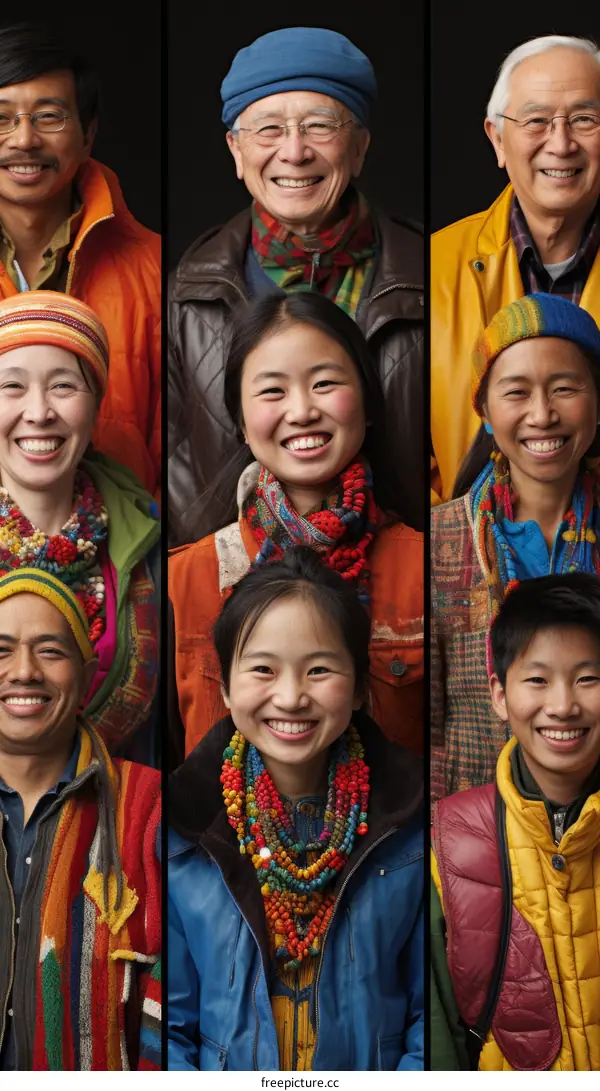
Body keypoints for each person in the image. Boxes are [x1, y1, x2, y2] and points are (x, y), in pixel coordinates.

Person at [168, 548, 423, 1072]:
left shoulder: (411, 829)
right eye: (263, 668)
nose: (290, 696)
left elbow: (428, 1013)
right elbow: (171, 1026)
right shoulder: (182, 831)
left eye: (319, 669)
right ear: (225, 683)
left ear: (356, 687)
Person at [168, 25, 424, 544]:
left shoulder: (429, 275)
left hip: (397, 578)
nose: (294, 152)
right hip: (231, 585)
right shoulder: (187, 293)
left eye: (319, 126)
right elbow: (172, 460)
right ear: (236, 152)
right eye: (267, 130)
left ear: (359, 148)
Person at [169, 292, 423, 764]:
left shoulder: (425, 568)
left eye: (325, 383)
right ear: (241, 422)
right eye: (272, 390)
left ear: (367, 403)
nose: (302, 410)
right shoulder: (185, 580)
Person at [431, 293, 600, 800]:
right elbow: (429, 725)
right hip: (477, 841)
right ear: (483, 411)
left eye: (565, 388)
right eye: (516, 393)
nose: (542, 414)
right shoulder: (438, 541)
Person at [431, 573, 600, 1071]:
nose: (564, 706)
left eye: (588, 679)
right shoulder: (450, 843)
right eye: (537, 680)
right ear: (500, 695)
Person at [0, 569, 161, 1071]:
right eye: (1, 649)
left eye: (50, 651)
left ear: (88, 674)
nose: (24, 671)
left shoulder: (152, 808)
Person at [431, 34, 600, 506]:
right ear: (497, 138)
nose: (561, 143)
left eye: (584, 119)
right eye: (536, 121)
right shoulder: (431, 267)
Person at [0, 23, 161, 495]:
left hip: (126, 551)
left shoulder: (154, 268)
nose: (24, 140)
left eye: (49, 117)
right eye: (2, 118)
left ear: (88, 135)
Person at [0, 291, 160, 763]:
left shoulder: (146, 541)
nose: (39, 412)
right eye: (12, 387)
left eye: (63, 386)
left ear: (95, 406)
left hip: (118, 814)